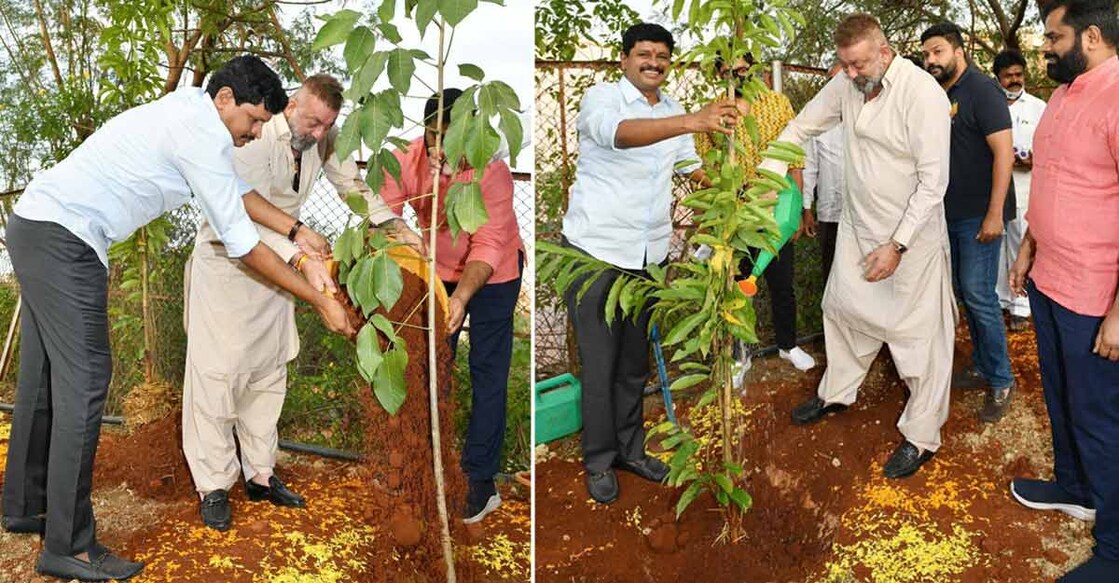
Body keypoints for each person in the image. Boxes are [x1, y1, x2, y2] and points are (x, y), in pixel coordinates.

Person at [0, 55, 354, 582]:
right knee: (86, 382)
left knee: (47, 376)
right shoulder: (202, 135)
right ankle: (69, 547)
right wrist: (318, 298)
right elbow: (242, 245)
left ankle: (25, 505)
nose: (256, 133)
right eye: (254, 121)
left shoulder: (192, 114)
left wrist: (297, 228)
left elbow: (232, 191)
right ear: (226, 99)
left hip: (37, 226)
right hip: (66, 240)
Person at [182, 74, 424, 531]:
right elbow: (237, 209)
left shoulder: (324, 140)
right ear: (293, 105)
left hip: (280, 271)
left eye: (326, 126)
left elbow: (353, 188)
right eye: (312, 122)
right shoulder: (252, 137)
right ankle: (213, 485)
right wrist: (298, 246)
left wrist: (395, 228)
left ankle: (260, 474)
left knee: (269, 371)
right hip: (227, 265)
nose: (316, 134)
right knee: (218, 375)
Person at [764, 13, 955, 479]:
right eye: (844, 65)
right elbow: (801, 128)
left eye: (859, 65)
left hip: (912, 236)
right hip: (857, 227)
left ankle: (921, 436)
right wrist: (766, 177)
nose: (850, 75)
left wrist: (897, 246)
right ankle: (835, 395)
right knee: (844, 311)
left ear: (885, 52)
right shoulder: (847, 84)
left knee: (920, 339)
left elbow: (933, 184)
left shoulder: (921, 93)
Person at [562, 22, 739, 503]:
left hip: (648, 258)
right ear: (624, 59)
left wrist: (728, 193)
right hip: (596, 253)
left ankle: (630, 450)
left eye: (662, 56)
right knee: (599, 364)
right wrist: (693, 122)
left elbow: (687, 166)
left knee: (632, 365)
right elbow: (618, 136)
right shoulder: (602, 100)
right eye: (644, 54)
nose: (654, 63)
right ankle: (598, 461)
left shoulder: (676, 111)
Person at [1008, 1, 1119, 580]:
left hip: (1097, 294)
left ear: (1091, 35)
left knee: (1101, 417)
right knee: (1060, 397)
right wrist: (1029, 244)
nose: (1045, 47)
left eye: (1054, 36)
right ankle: (1076, 489)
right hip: (1050, 279)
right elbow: (1053, 179)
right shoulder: (1063, 95)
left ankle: (1117, 550)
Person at [378, 88, 524, 525]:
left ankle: (480, 479)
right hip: (434, 269)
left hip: (492, 274)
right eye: (432, 135)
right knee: (428, 367)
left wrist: (461, 297)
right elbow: (383, 212)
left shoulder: (490, 168)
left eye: (450, 135)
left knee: (488, 372)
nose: (440, 147)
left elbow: (489, 242)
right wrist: (404, 240)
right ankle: (422, 463)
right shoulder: (406, 156)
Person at [695, 54, 816, 373]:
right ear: (719, 77)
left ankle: (788, 345)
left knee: (782, 281)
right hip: (735, 211)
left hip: (777, 205)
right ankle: (740, 356)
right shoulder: (713, 110)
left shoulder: (777, 103)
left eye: (742, 71)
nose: (736, 77)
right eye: (728, 74)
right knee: (738, 284)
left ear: (754, 69)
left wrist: (799, 209)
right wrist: (730, 191)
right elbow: (703, 163)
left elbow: (795, 158)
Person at [921, 22, 1017, 423]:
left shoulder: (981, 89)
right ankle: (981, 362)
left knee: (979, 295)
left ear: (959, 51)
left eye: (938, 51)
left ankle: (1001, 380)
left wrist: (995, 214)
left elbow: (1005, 153)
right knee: (966, 292)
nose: (931, 60)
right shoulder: (938, 94)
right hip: (950, 214)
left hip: (980, 215)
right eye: (927, 54)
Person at [992, 49, 1046, 332]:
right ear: (997, 77)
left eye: (1018, 74)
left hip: (1026, 187)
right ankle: (1001, 299)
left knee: (1020, 244)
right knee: (997, 245)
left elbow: (1051, 146)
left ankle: (1021, 307)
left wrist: (1033, 158)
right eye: (1008, 75)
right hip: (995, 190)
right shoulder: (991, 106)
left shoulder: (1038, 107)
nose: (1014, 80)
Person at [802, 62, 846, 285]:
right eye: (833, 81)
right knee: (832, 274)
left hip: (865, 212)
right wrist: (807, 208)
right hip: (831, 213)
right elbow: (809, 167)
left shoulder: (870, 114)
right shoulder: (818, 121)